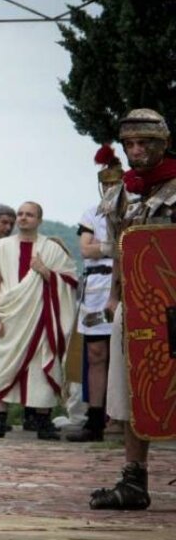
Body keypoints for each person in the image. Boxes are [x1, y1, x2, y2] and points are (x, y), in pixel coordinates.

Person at [90, 108, 176, 510]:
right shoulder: (121, 193)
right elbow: (126, 251)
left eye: (145, 143)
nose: (137, 150)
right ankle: (134, 480)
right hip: (137, 304)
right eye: (131, 144)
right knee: (132, 389)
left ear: (164, 144)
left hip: (172, 303)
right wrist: (114, 295)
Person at [0, 202, 78, 440]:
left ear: (39, 220)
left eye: (29, 215)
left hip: (42, 319)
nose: (23, 218)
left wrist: (45, 271)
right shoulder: (0, 247)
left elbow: (70, 281)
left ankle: (42, 421)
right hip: (9, 317)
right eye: (20, 214)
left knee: (41, 368)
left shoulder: (53, 250)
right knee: (2, 366)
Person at [65, 145, 121, 442]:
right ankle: (96, 419)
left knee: (129, 353)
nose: (110, 187)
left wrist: (106, 248)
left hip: (126, 283)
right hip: (97, 290)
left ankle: (127, 418)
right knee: (96, 353)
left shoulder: (136, 207)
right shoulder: (92, 213)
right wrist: (110, 247)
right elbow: (85, 249)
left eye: (115, 182)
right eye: (106, 182)